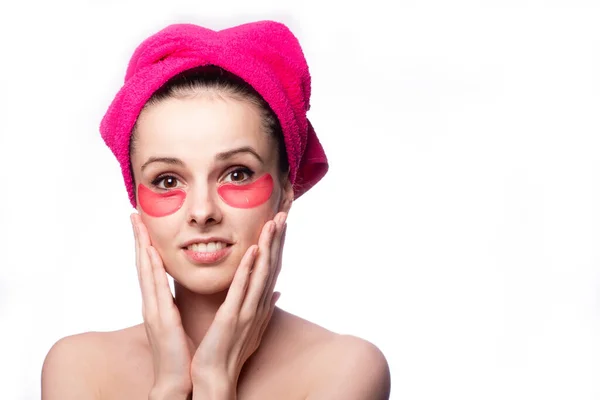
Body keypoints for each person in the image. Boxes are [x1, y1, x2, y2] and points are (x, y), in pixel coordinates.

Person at [41, 20, 391, 399]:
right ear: (136, 197)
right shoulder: (78, 368)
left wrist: (214, 382)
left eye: (237, 173)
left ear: (288, 188)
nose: (202, 211)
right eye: (168, 181)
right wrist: (171, 388)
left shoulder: (345, 369)